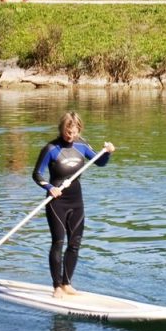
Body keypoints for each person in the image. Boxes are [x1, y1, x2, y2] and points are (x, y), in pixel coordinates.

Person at [32, 111, 116, 297]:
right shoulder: (51, 148)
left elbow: (100, 162)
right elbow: (37, 174)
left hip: (76, 201)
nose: (69, 135)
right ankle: (56, 286)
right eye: (66, 131)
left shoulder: (82, 145)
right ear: (61, 129)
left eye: (73, 131)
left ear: (79, 129)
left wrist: (108, 152)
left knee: (75, 243)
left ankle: (67, 283)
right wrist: (49, 187)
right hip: (56, 202)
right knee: (58, 242)